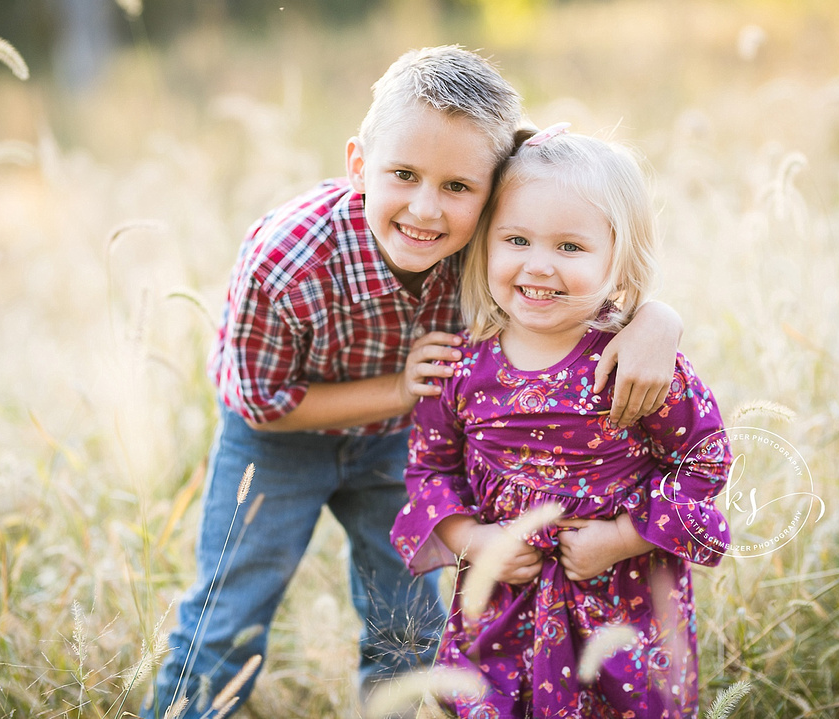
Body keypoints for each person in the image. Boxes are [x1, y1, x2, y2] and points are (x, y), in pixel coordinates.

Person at [143, 47, 685, 719]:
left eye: (458, 187)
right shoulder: (286, 260)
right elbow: (259, 403)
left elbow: (580, 243)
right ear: (358, 165)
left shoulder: (502, 239)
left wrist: (658, 317)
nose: (426, 209)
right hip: (277, 445)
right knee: (229, 616)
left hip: (404, 448)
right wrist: (400, 390)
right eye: (402, 175)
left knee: (405, 632)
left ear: (494, 190)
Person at [391, 125, 732, 718]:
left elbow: (704, 459)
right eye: (517, 239)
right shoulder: (459, 367)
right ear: (486, 245)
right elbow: (429, 472)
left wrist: (622, 539)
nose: (539, 266)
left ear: (618, 264)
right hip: (505, 606)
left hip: (621, 607)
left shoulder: (635, 364)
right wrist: (477, 541)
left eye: (570, 248)